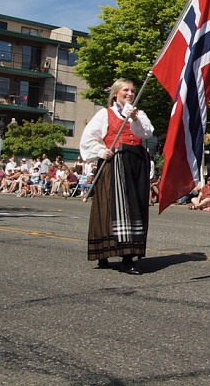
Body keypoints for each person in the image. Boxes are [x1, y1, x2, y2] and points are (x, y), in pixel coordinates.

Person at [80, 78, 154, 275]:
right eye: (125, 90)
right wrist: (101, 150)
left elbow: (146, 133)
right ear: (115, 94)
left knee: (135, 208)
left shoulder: (139, 114)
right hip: (115, 162)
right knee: (112, 208)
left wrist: (135, 118)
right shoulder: (105, 114)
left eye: (132, 90)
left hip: (136, 162)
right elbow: (88, 139)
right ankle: (106, 252)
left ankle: (129, 254)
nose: (130, 93)